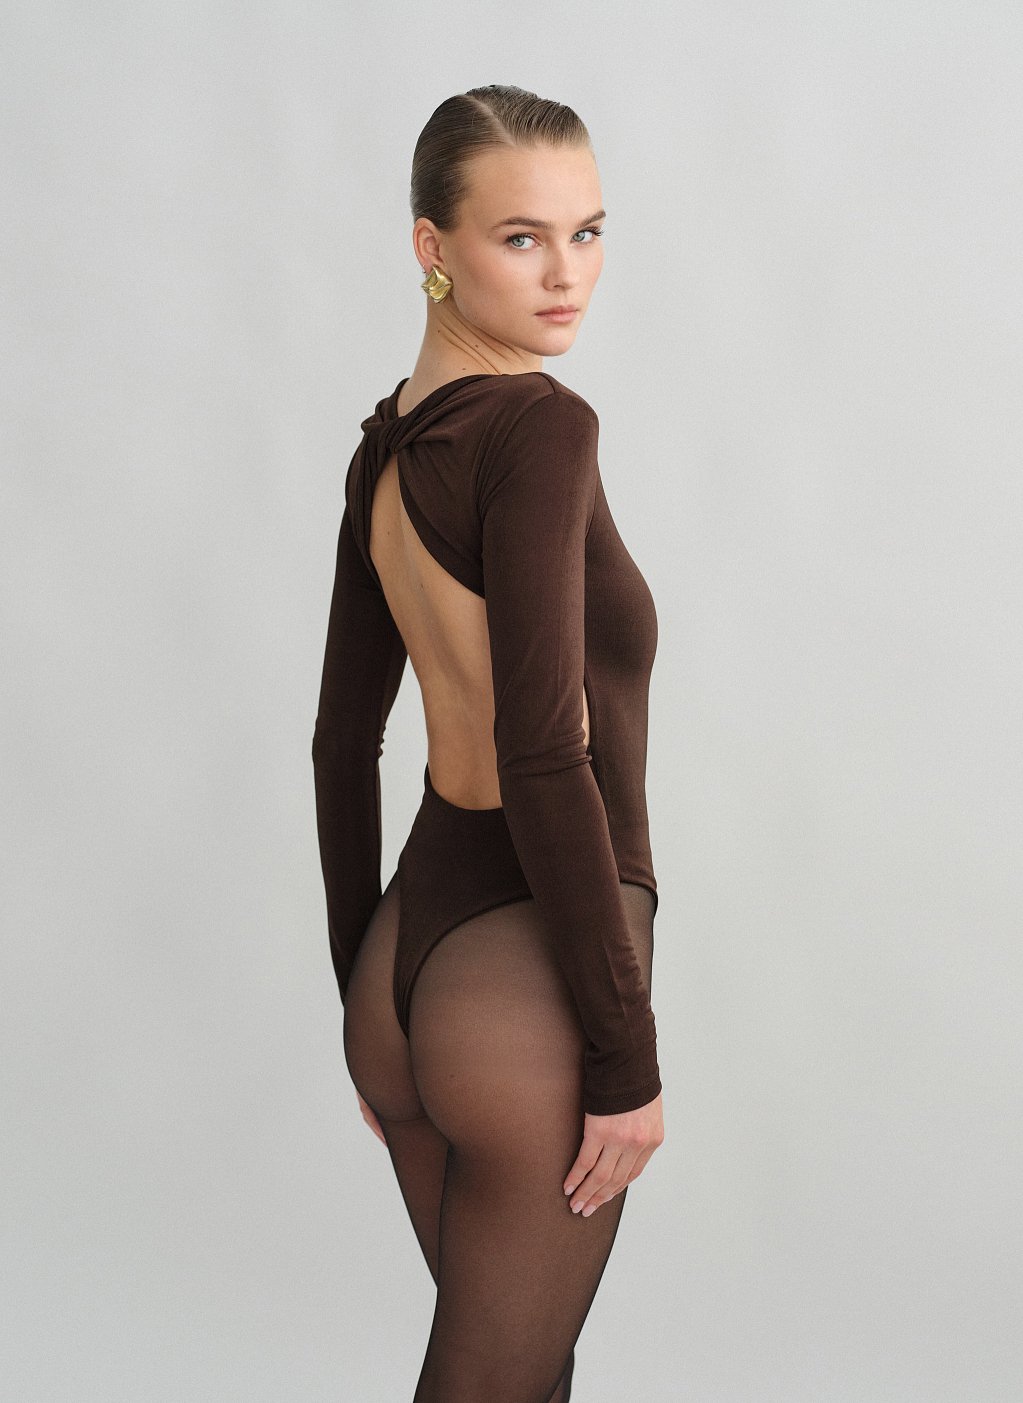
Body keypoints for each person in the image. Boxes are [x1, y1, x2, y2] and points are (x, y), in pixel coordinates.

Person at [312, 84, 664, 1402]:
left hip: (409, 967)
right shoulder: (539, 426)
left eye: (588, 231)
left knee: (519, 1377)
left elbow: (340, 745)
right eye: (522, 238)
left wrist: (368, 1005)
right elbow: (544, 753)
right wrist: (623, 1054)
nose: (567, 273)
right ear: (433, 247)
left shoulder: (384, 452)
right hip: (524, 980)